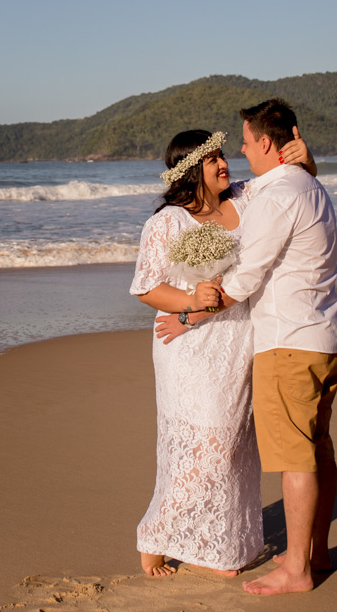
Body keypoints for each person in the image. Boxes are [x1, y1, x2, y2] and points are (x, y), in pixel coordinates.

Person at [157, 98, 337, 596]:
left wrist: (189, 315)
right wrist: (306, 160)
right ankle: (315, 552)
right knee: (317, 447)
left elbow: (246, 274)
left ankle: (296, 570)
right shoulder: (305, 183)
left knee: (295, 458)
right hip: (327, 339)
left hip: (289, 343)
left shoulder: (281, 194)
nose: (238, 152)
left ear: (265, 143)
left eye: (243, 142)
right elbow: (240, 190)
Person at [130, 126, 315, 579]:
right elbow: (147, 287)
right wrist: (192, 300)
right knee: (204, 446)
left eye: (223, 155)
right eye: (212, 159)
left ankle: (215, 545)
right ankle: (154, 536)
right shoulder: (167, 222)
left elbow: (291, 186)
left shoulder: (246, 199)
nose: (224, 163)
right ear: (191, 170)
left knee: (232, 447)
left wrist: (307, 162)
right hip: (188, 345)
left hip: (237, 339)